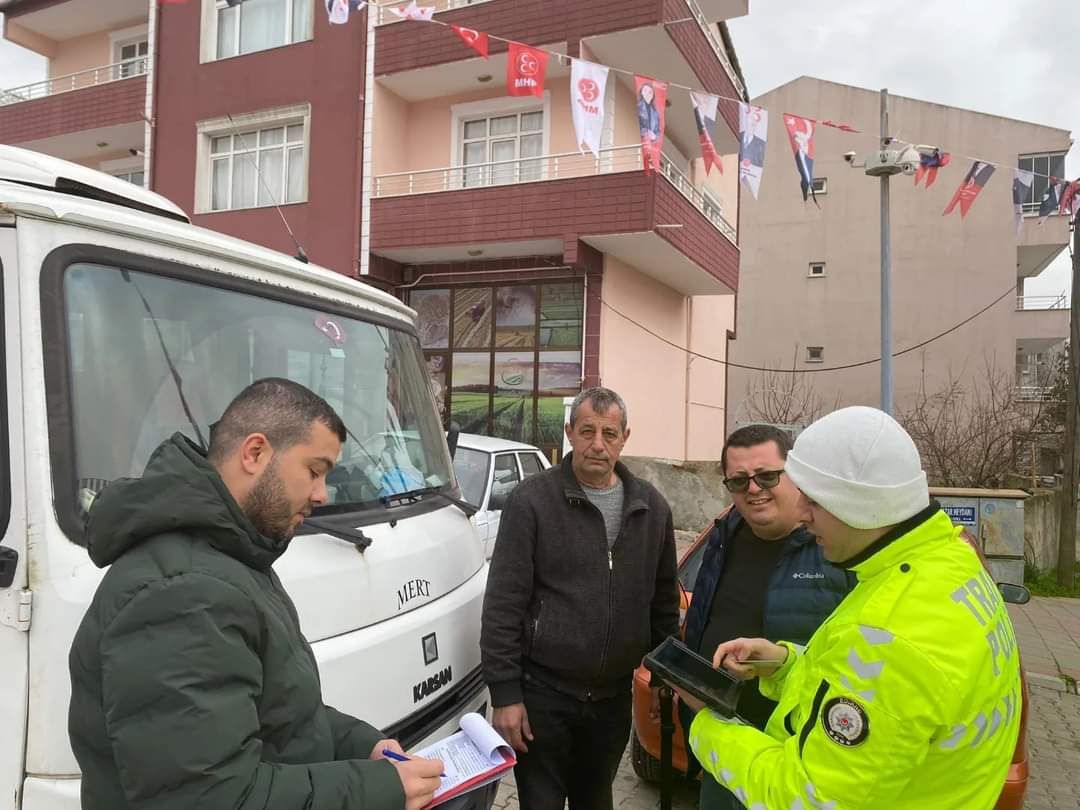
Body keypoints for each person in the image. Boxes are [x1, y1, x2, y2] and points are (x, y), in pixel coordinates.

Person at [69, 378, 444, 810]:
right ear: (255, 453)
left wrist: (364, 746)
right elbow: (209, 798)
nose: (321, 494)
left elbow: (280, 716)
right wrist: (381, 789)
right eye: (314, 471)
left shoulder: (234, 558)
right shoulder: (182, 593)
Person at [679, 407, 1023, 810]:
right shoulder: (945, 562)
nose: (803, 515)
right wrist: (785, 664)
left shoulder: (893, 636)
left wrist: (707, 723)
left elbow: (806, 798)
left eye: (815, 501)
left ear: (859, 503)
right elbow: (859, 676)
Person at [480, 387, 679, 810]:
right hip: (542, 698)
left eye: (609, 433)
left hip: (610, 703)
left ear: (625, 437)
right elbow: (503, 604)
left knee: (596, 801)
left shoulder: (652, 508)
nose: (597, 443)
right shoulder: (532, 501)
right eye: (587, 430)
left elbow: (663, 607)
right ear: (570, 432)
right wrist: (505, 694)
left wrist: (663, 686)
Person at [680, 424, 854, 809]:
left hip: (801, 760)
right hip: (726, 745)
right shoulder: (723, 536)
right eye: (739, 481)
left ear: (795, 473)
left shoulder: (837, 545)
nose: (754, 489)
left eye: (767, 476)